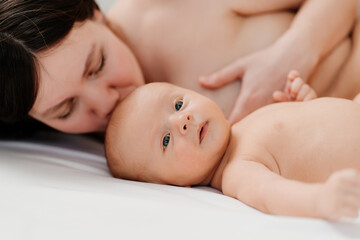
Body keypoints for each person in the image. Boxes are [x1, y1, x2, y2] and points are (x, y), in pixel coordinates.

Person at [0, 0, 358, 137]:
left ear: (97, 14)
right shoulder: (105, 145)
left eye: (98, 65)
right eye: (66, 109)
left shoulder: (172, 6)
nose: (103, 101)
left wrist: (293, 52)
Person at [105, 72, 360, 220]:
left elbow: (314, 138)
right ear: (174, 184)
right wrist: (321, 199)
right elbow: (271, 195)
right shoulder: (237, 171)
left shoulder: (244, 125)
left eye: (178, 105)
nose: (182, 120)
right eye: (166, 140)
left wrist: (306, 104)